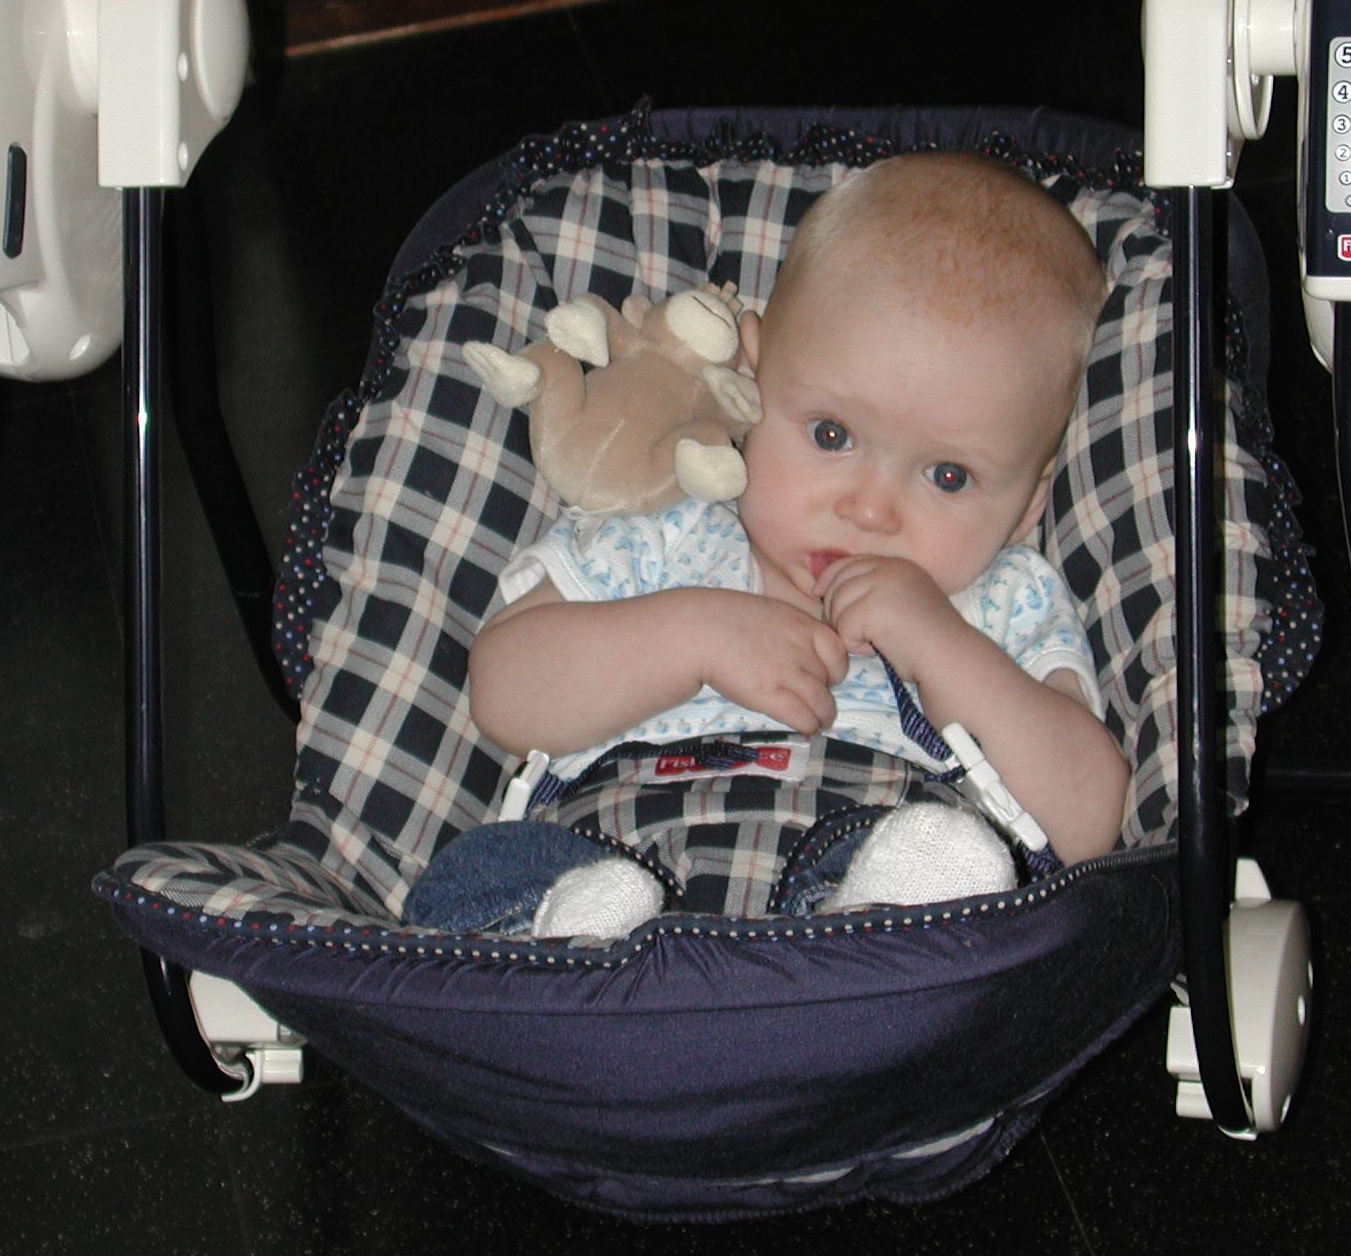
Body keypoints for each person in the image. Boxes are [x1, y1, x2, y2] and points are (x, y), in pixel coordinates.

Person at [408, 152, 1129, 938]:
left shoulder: (1001, 597)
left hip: (860, 885)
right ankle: (573, 934)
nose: (868, 510)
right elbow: (505, 695)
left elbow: (1088, 819)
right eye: (831, 435)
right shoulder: (666, 533)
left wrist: (941, 645)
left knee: (947, 859)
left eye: (948, 476)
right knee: (483, 870)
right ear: (752, 375)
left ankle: (884, 911)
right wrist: (690, 636)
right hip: (607, 852)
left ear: (1029, 503)